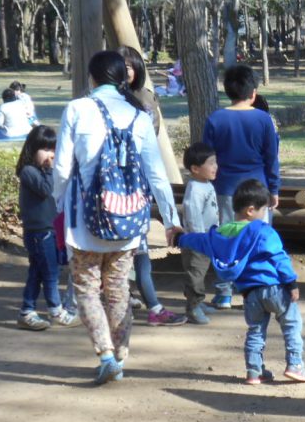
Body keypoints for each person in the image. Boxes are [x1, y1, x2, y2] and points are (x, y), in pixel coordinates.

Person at [52, 50, 182, 384]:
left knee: (86, 288)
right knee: (118, 289)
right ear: (123, 79)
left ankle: (106, 355)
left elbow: (63, 168)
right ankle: (121, 354)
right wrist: (170, 219)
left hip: (84, 223)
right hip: (128, 222)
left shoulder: (78, 110)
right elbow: (156, 174)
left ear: (91, 78)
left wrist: (58, 204)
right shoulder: (139, 116)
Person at [172, 179, 305, 385]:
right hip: (274, 289)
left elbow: (199, 240)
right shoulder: (263, 231)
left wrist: (179, 239)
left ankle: (254, 371)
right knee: (291, 323)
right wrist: (291, 283)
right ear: (251, 210)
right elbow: (279, 258)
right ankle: (295, 364)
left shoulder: (221, 234)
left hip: (250, 294)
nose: (265, 215)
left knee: (255, 330)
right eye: (263, 210)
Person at [202, 64, 280, 309]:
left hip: (225, 188)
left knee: (228, 238)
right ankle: (259, 290)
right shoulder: (263, 119)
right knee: (259, 240)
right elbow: (271, 157)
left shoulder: (215, 119)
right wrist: (274, 189)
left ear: (227, 91)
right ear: (253, 93)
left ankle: (224, 292)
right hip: (258, 189)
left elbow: (208, 156)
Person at [118, 46, 186, 327]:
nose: (125, 73)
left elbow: (151, 151)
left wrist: (171, 217)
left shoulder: (145, 100)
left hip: (136, 188)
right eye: (120, 67)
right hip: (114, 194)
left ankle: (148, 303)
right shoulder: (97, 105)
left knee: (138, 249)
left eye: (129, 67)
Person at [15, 125, 78, 330]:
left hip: (47, 231)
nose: (50, 154)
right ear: (32, 149)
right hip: (38, 232)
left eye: (53, 150)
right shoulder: (29, 171)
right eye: (45, 149)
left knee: (37, 272)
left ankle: (27, 310)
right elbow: (46, 190)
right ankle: (56, 310)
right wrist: (52, 169)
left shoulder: (43, 171)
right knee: (50, 272)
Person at [180, 142, 219, 325]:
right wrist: (199, 238)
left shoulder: (207, 185)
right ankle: (193, 308)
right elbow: (193, 214)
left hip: (207, 238)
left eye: (215, 162)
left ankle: (198, 302)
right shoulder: (195, 189)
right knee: (195, 273)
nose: (215, 167)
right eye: (210, 163)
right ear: (195, 168)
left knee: (200, 272)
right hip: (197, 241)